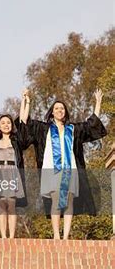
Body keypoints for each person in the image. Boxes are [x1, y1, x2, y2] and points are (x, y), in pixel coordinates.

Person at [25, 89, 107, 239]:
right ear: (51, 113)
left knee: (69, 202)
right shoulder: (44, 129)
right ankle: (57, 235)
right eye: (56, 108)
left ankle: (66, 236)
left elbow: (92, 124)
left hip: (71, 170)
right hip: (52, 171)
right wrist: (27, 101)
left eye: (62, 108)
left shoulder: (73, 129)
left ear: (65, 112)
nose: (59, 110)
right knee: (56, 200)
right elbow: (26, 122)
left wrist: (98, 102)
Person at [0, 91, 31, 239]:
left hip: (13, 172)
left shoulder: (16, 141)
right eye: (3, 123)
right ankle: (3, 236)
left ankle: (11, 236)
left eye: (8, 122)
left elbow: (23, 120)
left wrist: (25, 101)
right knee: (2, 205)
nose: (6, 125)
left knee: (12, 205)